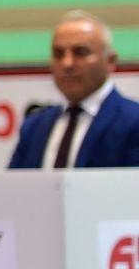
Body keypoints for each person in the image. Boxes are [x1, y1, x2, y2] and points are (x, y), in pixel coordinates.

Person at [8, 11, 139, 169]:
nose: (67, 63)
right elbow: (13, 189)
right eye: (58, 54)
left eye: (80, 52)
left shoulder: (133, 122)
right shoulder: (34, 127)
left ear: (110, 61)